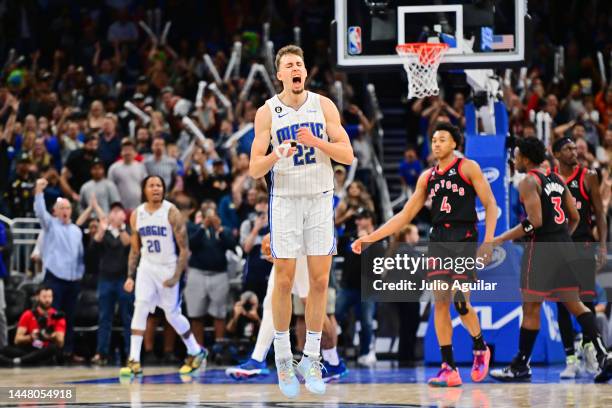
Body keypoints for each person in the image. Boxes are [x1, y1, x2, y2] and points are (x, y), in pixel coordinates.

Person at [352, 122, 498, 387]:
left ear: (455, 143)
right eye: (433, 140)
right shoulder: (427, 177)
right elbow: (405, 215)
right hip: (439, 238)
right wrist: (370, 237)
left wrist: (488, 242)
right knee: (440, 303)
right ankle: (448, 367)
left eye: (442, 139)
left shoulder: (468, 168)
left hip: (464, 237)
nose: (436, 144)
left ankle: (480, 347)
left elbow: (491, 205)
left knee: (461, 303)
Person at [249, 44, 354, 397]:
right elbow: (253, 169)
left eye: (300, 63)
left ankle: (311, 358)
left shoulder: (323, 105)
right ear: (279, 74)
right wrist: (276, 153)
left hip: (320, 198)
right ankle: (282, 358)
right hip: (285, 201)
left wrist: (318, 142)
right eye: (289, 65)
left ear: (305, 72)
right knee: (284, 280)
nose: (296, 68)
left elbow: (349, 155)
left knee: (320, 282)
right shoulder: (267, 112)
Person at [489, 137, 612, 383]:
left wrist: (501, 237)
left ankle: (521, 365)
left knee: (531, 307)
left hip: (543, 250)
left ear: (525, 157)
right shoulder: (556, 179)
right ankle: (603, 354)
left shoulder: (528, 181)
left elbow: (533, 222)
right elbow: (575, 216)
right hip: (565, 246)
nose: (514, 160)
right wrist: (564, 236)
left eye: (516, 156)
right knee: (576, 305)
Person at [225, 234, 347, 382]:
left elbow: (302, 216)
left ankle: (333, 362)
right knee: (271, 302)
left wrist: (277, 235)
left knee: (310, 303)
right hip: (287, 244)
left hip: (304, 245)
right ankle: (257, 359)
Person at [120, 175, 206, 376]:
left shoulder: (171, 212)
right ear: (144, 190)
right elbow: (134, 249)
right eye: (151, 185)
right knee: (140, 307)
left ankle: (195, 350)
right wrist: (130, 275)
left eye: (159, 185)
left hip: (168, 267)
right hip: (147, 267)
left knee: (172, 315)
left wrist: (177, 275)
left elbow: (184, 249)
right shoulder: (137, 214)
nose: (156, 188)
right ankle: (134, 360)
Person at [552, 137, 608, 379]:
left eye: (575, 147)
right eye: (567, 148)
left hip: (583, 244)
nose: (574, 151)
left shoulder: (588, 176)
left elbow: (599, 212)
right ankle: (570, 359)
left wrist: (603, 246)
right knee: (563, 304)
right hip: (557, 247)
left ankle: (589, 350)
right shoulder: (550, 177)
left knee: (587, 300)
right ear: (556, 153)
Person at [34, 178, 84, 359]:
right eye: (61, 208)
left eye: (68, 208)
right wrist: (39, 192)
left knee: (69, 317)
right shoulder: (50, 226)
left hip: (72, 281)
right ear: (54, 211)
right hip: (54, 278)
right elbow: (40, 212)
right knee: (51, 318)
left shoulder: (76, 231)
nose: (65, 211)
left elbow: (79, 256)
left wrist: (80, 274)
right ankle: (48, 352)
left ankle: (68, 351)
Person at [184, 205, 235, 347]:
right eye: (206, 217)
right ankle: (198, 350)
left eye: (213, 217)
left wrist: (219, 229)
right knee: (196, 314)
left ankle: (219, 348)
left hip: (219, 274)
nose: (210, 220)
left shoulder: (223, 230)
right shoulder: (193, 229)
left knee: (219, 314)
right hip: (197, 273)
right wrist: (202, 227)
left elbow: (232, 245)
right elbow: (191, 245)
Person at [89, 202, 133, 366]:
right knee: (104, 317)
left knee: (128, 318)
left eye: (119, 211)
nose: (116, 214)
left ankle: (131, 354)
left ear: (124, 215)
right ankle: (101, 353)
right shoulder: (105, 233)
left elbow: (129, 245)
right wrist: (102, 228)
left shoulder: (128, 230)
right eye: (113, 211)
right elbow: (93, 249)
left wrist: (120, 228)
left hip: (123, 280)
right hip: (105, 279)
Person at [336, 208, 377, 367]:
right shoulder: (350, 236)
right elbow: (338, 245)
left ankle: (366, 352)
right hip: (348, 286)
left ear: (370, 220)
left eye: (361, 219)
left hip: (368, 288)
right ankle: (332, 350)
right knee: (335, 315)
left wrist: (366, 242)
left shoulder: (379, 237)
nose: (357, 222)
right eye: (357, 219)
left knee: (366, 321)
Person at [0, 286, 65, 366]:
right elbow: (17, 340)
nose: (47, 300)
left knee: (53, 348)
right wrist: (31, 337)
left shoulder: (57, 316)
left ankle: (16, 361)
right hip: (32, 347)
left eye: (50, 297)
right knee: (5, 349)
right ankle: (29, 360)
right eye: (44, 297)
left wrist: (49, 336)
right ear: (37, 297)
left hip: (46, 349)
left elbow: (60, 343)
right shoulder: (28, 314)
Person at [108, 138, 147, 212]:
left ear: (135, 153)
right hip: (121, 209)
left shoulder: (141, 167)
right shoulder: (113, 168)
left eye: (130, 150)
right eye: (125, 150)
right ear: (121, 153)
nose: (127, 152)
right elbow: (111, 190)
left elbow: (145, 186)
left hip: (139, 207)